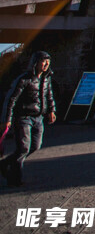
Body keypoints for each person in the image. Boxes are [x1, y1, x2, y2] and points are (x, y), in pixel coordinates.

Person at [1, 51, 56, 187]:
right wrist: (7, 119)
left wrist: (51, 110)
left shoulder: (46, 78)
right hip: (23, 117)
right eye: (43, 61)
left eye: (48, 62)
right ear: (36, 63)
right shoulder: (24, 79)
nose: (46, 64)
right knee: (23, 148)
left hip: (39, 118)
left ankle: (4, 163)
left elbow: (49, 95)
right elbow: (11, 99)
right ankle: (14, 179)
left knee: (35, 146)